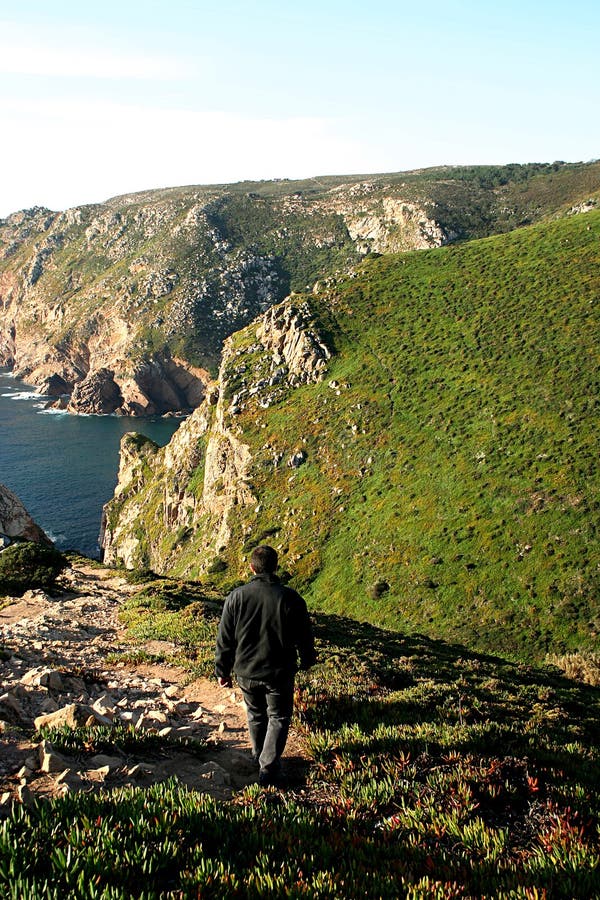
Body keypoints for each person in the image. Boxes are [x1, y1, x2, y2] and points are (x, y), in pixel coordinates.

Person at [215, 545, 317, 786]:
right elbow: (304, 635)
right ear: (276, 567)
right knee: (279, 716)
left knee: (256, 714)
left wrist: (222, 670)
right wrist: (308, 659)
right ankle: (268, 768)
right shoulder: (291, 598)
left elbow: (225, 638)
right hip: (279, 672)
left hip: (246, 671)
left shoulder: (236, 597)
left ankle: (259, 756)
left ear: (251, 568)